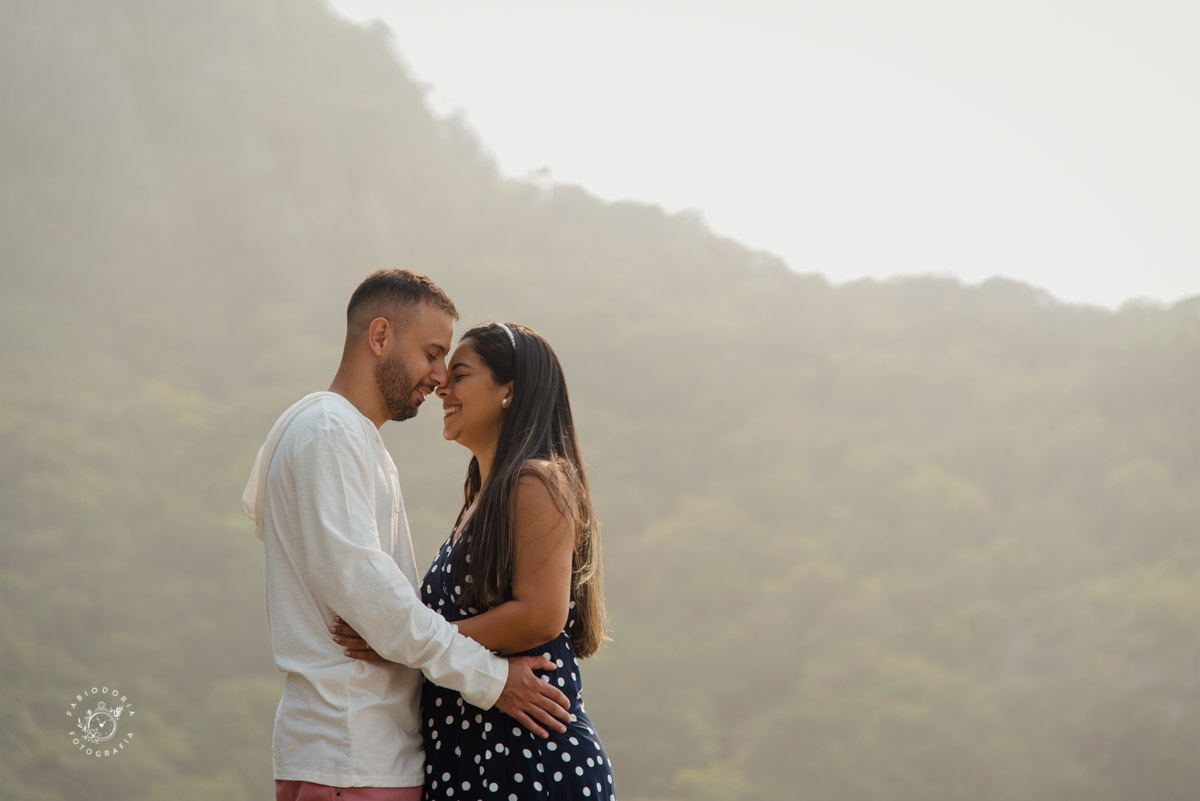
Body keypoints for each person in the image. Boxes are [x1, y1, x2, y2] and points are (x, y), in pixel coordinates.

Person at [242, 271, 572, 801]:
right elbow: (375, 601)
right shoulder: (331, 431)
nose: (439, 376)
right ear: (380, 338)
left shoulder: (339, 435)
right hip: (353, 752)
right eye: (433, 353)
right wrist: (493, 680)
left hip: (348, 753)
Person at [329, 321, 615, 801]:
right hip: (471, 756)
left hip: (526, 761)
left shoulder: (535, 481)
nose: (441, 384)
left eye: (459, 374)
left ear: (509, 390)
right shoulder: (482, 497)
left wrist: (404, 643)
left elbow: (540, 615)